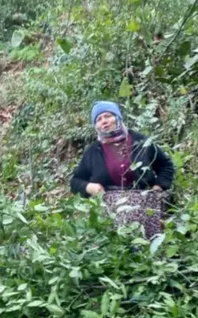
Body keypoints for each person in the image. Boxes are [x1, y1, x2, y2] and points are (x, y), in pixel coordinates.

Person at [70, 101, 175, 239]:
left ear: (118, 117)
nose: (104, 122)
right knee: (118, 254)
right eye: (99, 119)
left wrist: (157, 188)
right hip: (110, 212)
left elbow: (166, 165)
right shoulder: (93, 151)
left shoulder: (141, 142)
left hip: (146, 207)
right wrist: (90, 187)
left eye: (107, 116)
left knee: (150, 252)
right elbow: (75, 181)